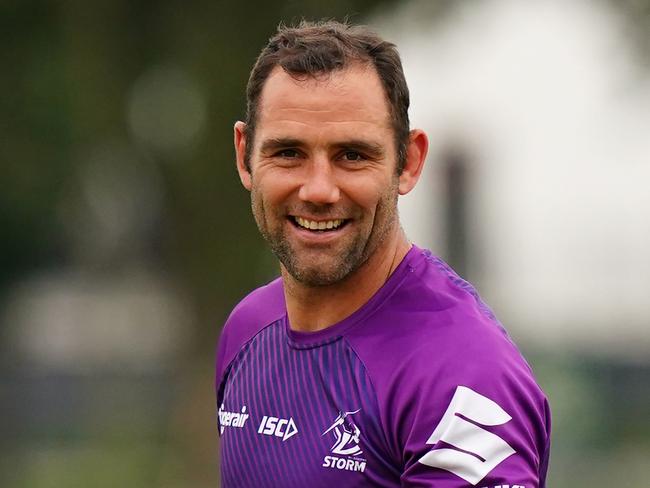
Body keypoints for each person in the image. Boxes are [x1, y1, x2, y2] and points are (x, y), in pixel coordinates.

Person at [215, 20, 551, 487]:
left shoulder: (461, 375)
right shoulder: (247, 331)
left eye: (352, 155)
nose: (318, 189)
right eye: (288, 152)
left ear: (408, 163)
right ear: (243, 155)